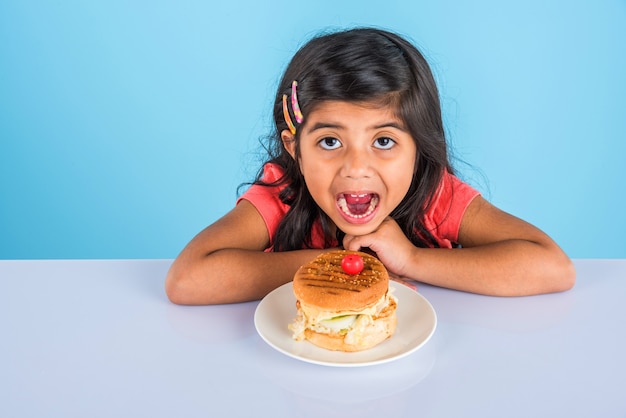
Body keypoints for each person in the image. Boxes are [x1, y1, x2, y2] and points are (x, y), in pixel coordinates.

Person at [165, 27, 575, 305]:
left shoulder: (435, 196)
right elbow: (187, 280)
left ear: (418, 148)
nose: (356, 167)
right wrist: (335, 265)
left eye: (384, 141)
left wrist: (411, 260)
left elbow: (552, 267)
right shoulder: (283, 194)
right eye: (330, 141)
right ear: (295, 149)